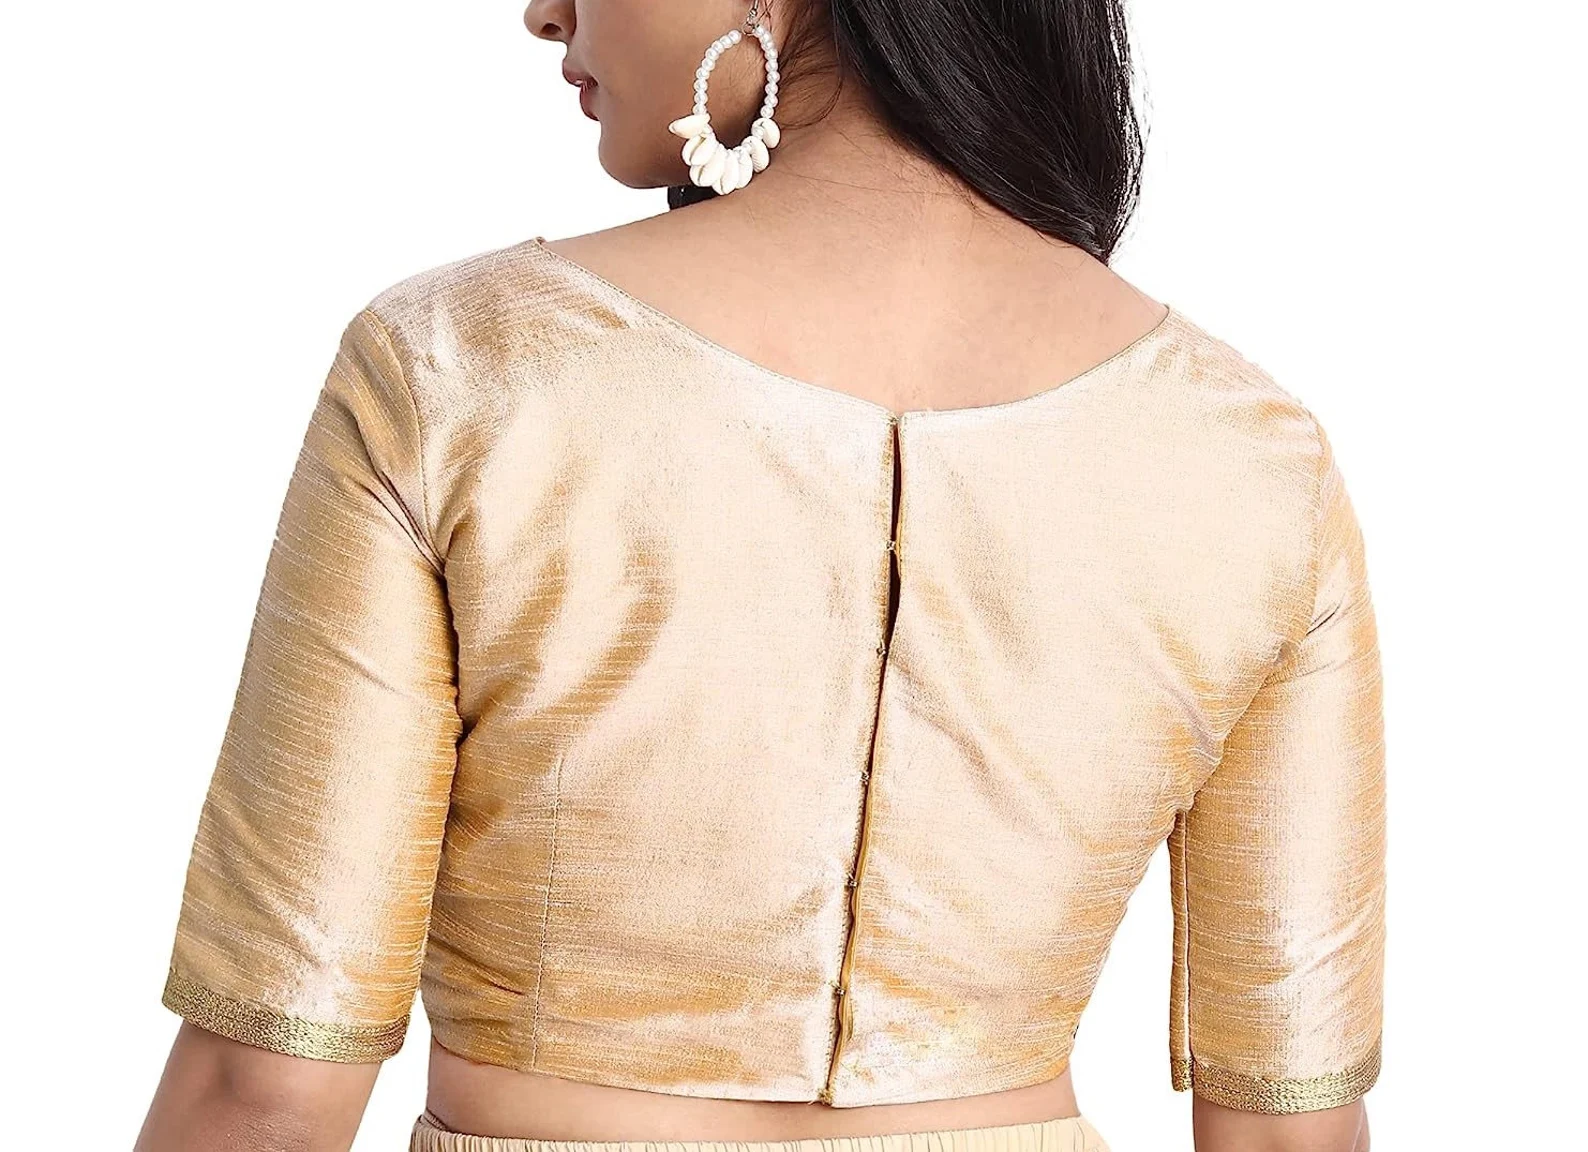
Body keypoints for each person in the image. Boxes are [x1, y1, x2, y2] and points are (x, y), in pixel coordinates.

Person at [135, 1, 1386, 1150]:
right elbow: (1292, 1126)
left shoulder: (462, 370)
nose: (543, 13)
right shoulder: (1253, 454)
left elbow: (265, 1086)